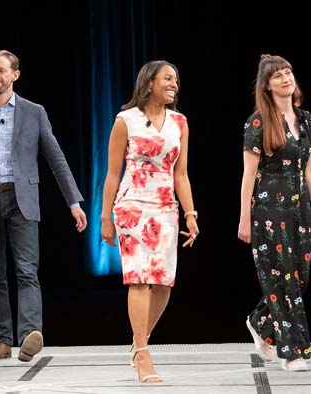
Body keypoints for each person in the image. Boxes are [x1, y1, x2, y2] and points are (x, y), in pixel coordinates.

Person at [0, 49, 87, 362]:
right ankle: (1, 339)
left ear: (15, 75)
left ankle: (29, 335)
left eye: (1, 71)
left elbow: (56, 158)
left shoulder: (33, 112)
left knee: (26, 270)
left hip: (20, 199)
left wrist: (73, 201)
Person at [100, 60, 198, 383]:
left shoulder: (179, 123)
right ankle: (142, 354)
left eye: (176, 80)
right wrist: (106, 218)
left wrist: (190, 213)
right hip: (131, 207)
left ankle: (138, 342)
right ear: (150, 82)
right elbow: (112, 173)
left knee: (163, 284)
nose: (174, 84)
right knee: (139, 279)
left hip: (165, 209)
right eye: (168, 78)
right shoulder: (125, 121)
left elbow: (180, 175)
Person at [238, 54, 311, 372]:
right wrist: (245, 217)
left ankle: (260, 322)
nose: (286, 77)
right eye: (278, 75)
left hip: (299, 209)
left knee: (299, 277)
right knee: (282, 278)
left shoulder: (306, 119)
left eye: (288, 71)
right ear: (267, 85)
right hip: (268, 210)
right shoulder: (258, 121)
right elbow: (248, 175)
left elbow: (310, 171)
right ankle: (291, 351)